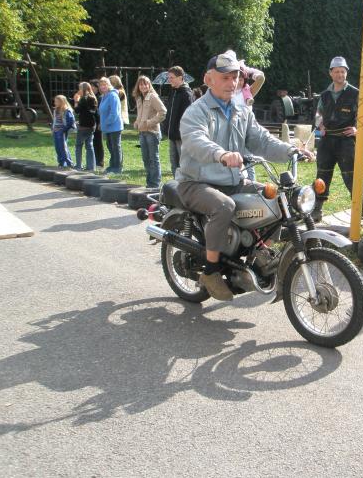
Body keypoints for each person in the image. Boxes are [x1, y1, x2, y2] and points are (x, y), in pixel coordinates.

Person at [176, 50, 313, 301]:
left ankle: (258, 253)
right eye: (225, 77)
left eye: (236, 77)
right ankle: (211, 270)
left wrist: (292, 150)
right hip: (196, 182)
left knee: (275, 199)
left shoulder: (242, 111)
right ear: (208, 79)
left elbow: (262, 140)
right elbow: (196, 140)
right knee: (223, 206)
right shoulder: (197, 111)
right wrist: (221, 154)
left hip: (233, 181)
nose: (232, 83)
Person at [311, 56, 363, 222]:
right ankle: (317, 209)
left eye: (342, 71)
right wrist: (320, 126)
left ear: (346, 73)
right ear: (330, 73)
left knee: (351, 176)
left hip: (346, 141)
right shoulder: (325, 95)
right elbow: (318, 114)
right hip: (327, 141)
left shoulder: (356, 93)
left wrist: (359, 130)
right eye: (336, 71)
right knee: (322, 175)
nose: (340, 74)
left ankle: (360, 209)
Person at [133, 75, 167, 188]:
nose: (143, 86)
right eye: (141, 84)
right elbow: (140, 114)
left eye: (145, 84)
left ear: (149, 85)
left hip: (152, 132)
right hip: (142, 132)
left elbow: (163, 112)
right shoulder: (139, 98)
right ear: (138, 86)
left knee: (153, 158)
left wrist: (149, 122)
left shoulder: (153, 97)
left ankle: (155, 183)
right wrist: (137, 122)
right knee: (146, 158)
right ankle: (149, 182)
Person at [162, 66, 195, 178]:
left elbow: (188, 117)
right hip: (172, 134)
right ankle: (175, 184)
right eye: (169, 77)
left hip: (182, 136)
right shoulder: (173, 92)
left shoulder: (186, 94)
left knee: (183, 163)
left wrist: (182, 132)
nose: (169, 80)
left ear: (180, 78)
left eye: (171, 77)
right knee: (174, 162)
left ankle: (185, 184)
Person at [97, 77, 124, 173]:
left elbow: (114, 113)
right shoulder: (104, 96)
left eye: (105, 84)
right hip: (107, 127)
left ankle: (118, 167)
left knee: (115, 147)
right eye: (101, 85)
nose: (103, 87)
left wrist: (105, 123)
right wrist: (102, 123)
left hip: (115, 126)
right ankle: (112, 165)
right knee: (110, 146)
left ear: (109, 85)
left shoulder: (113, 95)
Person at [73, 82, 98, 171]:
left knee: (78, 145)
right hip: (91, 125)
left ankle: (78, 166)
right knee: (89, 145)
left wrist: (76, 101)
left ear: (84, 89)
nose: (78, 91)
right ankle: (91, 166)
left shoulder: (83, 99)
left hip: (84, 126)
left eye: (80, 89)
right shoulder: (93, 98)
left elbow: (77, 110)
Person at [51, 95, 75, 167]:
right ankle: (61, 162)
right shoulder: (56, 110)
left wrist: (63, 130)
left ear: (61, 102)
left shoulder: (67, 111)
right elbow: (55, 121)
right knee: (57, 147)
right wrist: (53, 128)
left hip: (61, 132)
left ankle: (68, 163)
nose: (55, 103)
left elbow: (70, 122)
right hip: (56, 131)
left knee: (63, 148)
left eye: (56, 101)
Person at [90, 79, 105, 168]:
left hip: (98, 122)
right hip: (92, 122)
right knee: (93, 142)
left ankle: (100, 162)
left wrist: (100, 122)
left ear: (97, 87)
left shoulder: (100, 97)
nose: (91, 88)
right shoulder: (92, 96)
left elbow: (99, 112)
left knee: (98, 142)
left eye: (93, 86)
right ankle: (95, 161)